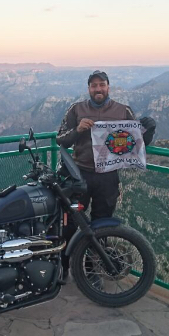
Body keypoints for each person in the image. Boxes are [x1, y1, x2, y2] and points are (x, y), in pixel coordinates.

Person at [56, 70, 156, 279]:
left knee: (102, 225)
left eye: (102, 85)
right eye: (94, 85)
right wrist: (78, 130)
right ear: (89, 89)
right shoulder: (76, 109)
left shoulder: (122, 110)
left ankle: (92, 273)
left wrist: (150, 130)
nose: (98, 89)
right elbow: (61, 139)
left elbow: (137, 143)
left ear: (108, 87)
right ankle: (63, 268)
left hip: (108, 177)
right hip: (79, 175)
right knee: (71, 223)